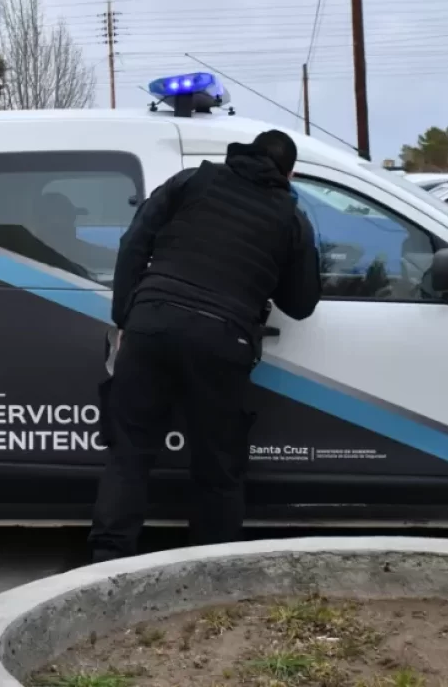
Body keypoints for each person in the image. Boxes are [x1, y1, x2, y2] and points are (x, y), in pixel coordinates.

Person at [88, 130, 322, 563]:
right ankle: (210, 571)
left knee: (130, 454)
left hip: (150, 326)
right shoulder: (290, 217)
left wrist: (125, 317)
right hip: (221, 340)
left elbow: (134, 241)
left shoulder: (192, 181)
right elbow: (302, 302)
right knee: (218, 468)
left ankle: (105, 563)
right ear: (289, 172)